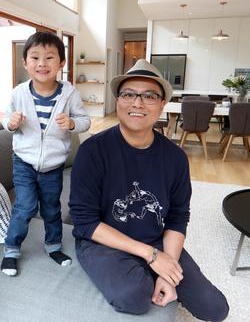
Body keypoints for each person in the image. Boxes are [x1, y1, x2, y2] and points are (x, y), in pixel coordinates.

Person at [69, 59, 229, 321]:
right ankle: (138, 272)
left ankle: (144, 270)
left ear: (162, 104)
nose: (137, 103)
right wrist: (152, 256)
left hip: (153, 236)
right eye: (128, 94)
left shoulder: (175, 157)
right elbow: (85, 223)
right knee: (135, 296)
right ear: (118, 100)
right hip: (103, 241)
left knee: (215, 308)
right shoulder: (93, 151)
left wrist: (167, 268)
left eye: (149, 96)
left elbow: (178, 216)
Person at [0, 31, 90, 276]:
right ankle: (11, 249)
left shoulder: (69, 94)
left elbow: (85, 121)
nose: (42, 63)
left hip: (53, 165)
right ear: (25, 63)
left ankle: (53, 246)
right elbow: (5, 120)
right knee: (26, 207)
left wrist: (72, 123)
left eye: (50, 58)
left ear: (61, 63)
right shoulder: (18, 93)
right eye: (35, 58)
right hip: (24, 162)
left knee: (51, 208)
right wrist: (12, 123)